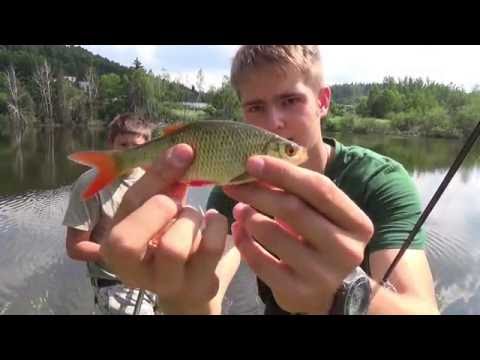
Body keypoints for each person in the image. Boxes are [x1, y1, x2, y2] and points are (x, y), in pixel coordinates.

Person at [99, 46, 440, 315]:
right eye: (256, 107)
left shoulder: (379, 181)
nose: (273, 122)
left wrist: (343, 296)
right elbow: (209, 297)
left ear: (322, 102)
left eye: (290, 101)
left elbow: (421, 310)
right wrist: (181, 297)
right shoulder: (235, 186)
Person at [62, 112, 159, 315]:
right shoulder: (90, 184)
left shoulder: (154, 178)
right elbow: (75, 247)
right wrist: (119, 252)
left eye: (137, 146)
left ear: (148, 147)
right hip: (114, 284)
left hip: (152, 277)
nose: (130, 152)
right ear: (111, 144)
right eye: (124, 145)